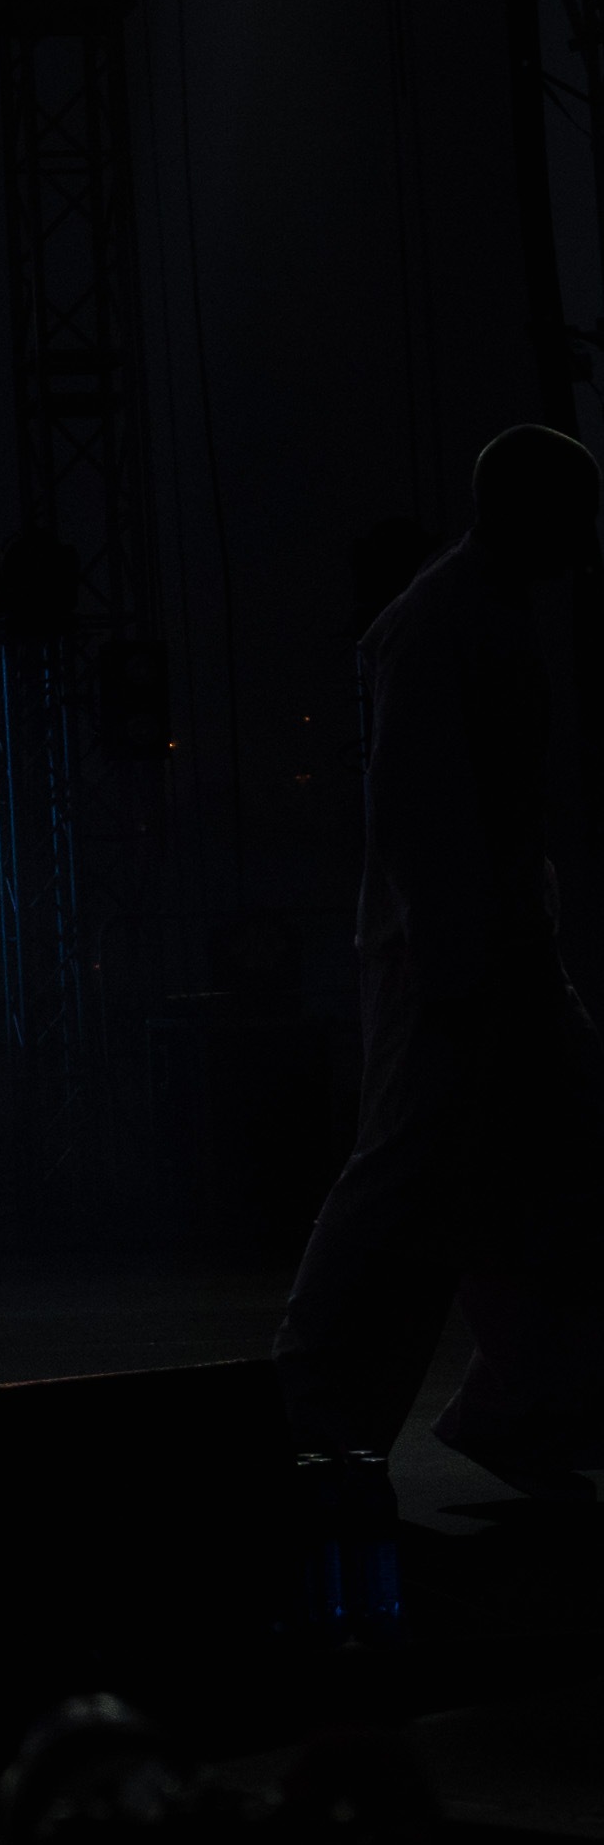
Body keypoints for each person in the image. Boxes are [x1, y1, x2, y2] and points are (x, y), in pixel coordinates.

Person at [275, 423, 604, 1494]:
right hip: (458, 959)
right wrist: (460, 966)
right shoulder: (445, 624)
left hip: (476, 953)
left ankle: (476, 1407)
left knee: (498, 1181)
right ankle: (331, 1415)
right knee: (424, 1186)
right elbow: (423, 818)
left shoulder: (454, 617)